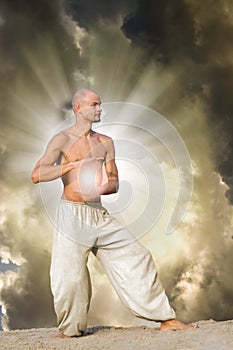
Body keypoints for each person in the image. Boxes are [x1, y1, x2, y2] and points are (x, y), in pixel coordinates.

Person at [31, 88, 197, 337]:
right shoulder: (62, 140)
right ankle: (70, 330)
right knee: (70, 276)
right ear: (79, 108)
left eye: (100, 104)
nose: (99, 109)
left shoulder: (105, 142)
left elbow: (114, 180)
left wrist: (105, 186)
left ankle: (165, 319)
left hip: (99, 213)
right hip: (71, 215)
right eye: (94, 104)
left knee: (138, 255)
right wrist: (73, 165)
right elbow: (37, 174)